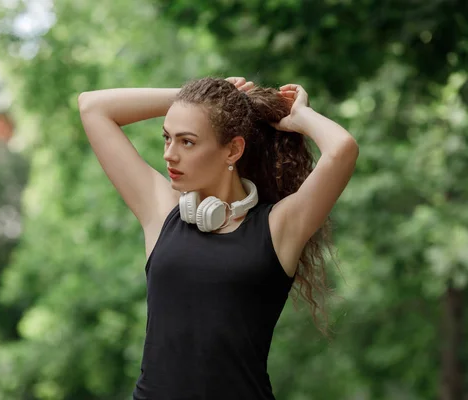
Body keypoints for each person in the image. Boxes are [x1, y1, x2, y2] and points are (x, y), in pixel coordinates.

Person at [78, 76, 359, 400]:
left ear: (233, 149)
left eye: (187, 142)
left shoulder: (278, 227)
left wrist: (300, 117)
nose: (170, 154)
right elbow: (92, 107)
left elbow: (342, 150)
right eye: (167, 138)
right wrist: (197, 99)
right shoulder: (161, 210)